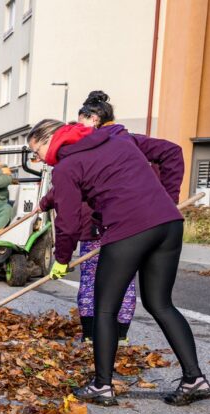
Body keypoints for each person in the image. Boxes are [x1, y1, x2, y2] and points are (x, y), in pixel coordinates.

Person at [29, 117, 210, 406]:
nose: (38, 159)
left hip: (128, 230)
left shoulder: (65, 167)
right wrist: (167, 198)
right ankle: (194, 378)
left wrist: (61, 258)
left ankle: (102, 386)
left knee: (104, 309)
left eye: (35, 153)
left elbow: (68, 223)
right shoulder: (115, 139)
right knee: (160, 303)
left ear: (48, 140)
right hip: (168, 223)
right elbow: (87, 181)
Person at [42, 91, 139, 344]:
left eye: (80, 121)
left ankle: (98, 334)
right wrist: (44, 203)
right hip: (116, 226)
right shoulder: (114, 143)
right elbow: (65, 186)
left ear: (92, 118)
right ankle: (110, 335)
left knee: (97, 280)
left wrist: (61, 258)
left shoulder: (88, 146)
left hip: (103, 225)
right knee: (119, 280)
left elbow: (68, 189)